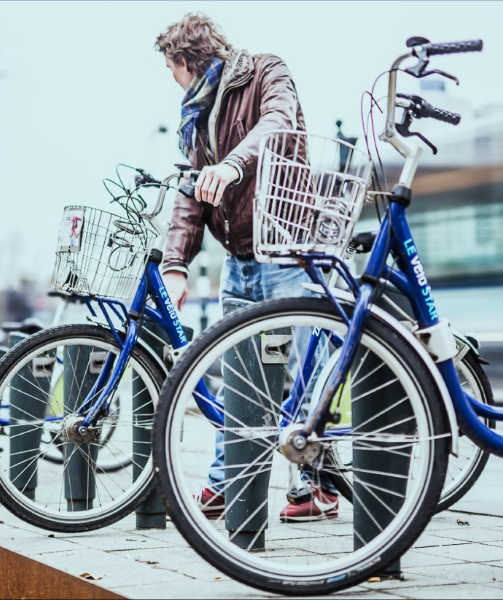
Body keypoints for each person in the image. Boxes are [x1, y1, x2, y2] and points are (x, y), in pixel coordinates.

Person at [156, 13, 338, 523]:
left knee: (306, 375)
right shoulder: (195, 116)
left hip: (287, 250)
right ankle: (229, 479)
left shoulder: (265, 72)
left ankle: (314, 484)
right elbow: (191, 193)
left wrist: (232, 164)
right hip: (239, 259)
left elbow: (278, 124)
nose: (170, 78)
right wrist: (176, 264)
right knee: (243, 379)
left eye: (170, 66)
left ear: (186, 60)